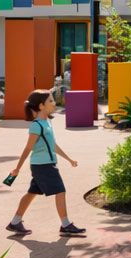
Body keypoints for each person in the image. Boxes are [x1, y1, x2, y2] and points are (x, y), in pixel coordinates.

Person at [5, 89, 86, 237]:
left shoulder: (46, 123)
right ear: (41, 106)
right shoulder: (37, 125)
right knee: (60, 190)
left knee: (31, 193)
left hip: (45, 164)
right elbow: (28, 148)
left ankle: (15, 222)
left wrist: (68, 159)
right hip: (43, 166)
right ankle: (66, 224)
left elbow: (53, 145)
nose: (54, 103)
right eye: (50, 100)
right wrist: (17, 168)